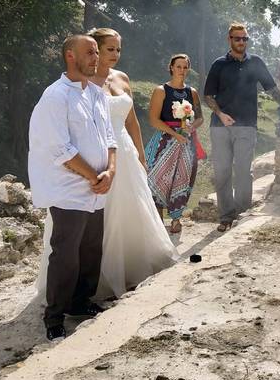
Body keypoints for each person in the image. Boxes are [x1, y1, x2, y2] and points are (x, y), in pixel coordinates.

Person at [37, 29, 179, 308]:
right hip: (97, 158)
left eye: (118, 49)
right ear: (95, 50)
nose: (115, 55)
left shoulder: (122, 78)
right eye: (109, 49)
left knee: (131, 211)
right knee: (95, 224)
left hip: (123, 151)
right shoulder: (82, 82)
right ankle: (87, 286)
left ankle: (130, 269)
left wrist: (140, 153)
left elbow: (131, 121)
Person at [28, 35, 116, 341]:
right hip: (69, 188)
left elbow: (109, 137)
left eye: (96, 52)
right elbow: (59, 149)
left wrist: (111, 170)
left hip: (98, 186)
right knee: (65, 253)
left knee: (91, 249)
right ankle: (54, 316)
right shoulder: (55, 97)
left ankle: (81, 302)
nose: (96, 58)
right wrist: (94, 176)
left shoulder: (97, 94)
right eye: (89, 53)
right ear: (70, 56)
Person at [204, 23, 280, 232]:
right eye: (238, 38)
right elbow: (208, 96)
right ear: (230, 39)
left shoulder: (256, 63)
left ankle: (242, 215)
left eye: (245, 39)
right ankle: (226, 216)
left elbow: (272, 89)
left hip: (247, 125)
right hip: (220, 126)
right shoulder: (218, 65)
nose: (242, 42)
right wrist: (220, 114)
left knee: (244, 171)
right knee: (222, 172)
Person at [145, 54, 205, 234]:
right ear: (171, 67)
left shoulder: (192, 92)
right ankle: (158, 221)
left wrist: (192, 126)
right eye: (178, 66)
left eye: (185, 67)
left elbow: (200, 117)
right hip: (164, 141)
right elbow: (154, 120)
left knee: (183, 179)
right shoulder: (161, 90)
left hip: (185, 142)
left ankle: (176, 220)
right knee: (157, 178)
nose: (182, 70)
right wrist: (174, 134)